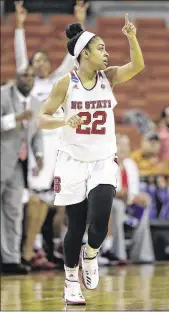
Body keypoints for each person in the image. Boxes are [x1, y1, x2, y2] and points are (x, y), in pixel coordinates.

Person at [38, 14, 144, 305]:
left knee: (99, 221)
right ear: (84, 53)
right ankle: (71, 280)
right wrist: (63, 120)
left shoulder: (107, 78)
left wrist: (131, 37)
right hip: (72, 160)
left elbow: (137, 66)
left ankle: (91, 254)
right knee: (75, 224)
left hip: (102, 159)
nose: (107, 53)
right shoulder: (65, 83)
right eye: (101, 49)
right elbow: (42, 118)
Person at [14, 0, 89, 268]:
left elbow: (72, 56)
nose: (41, 64)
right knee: (38, 197)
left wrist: (79, 25)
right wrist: (20, 26)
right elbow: (20, 57)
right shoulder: (29, 85)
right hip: (38, 147)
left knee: (61, 200)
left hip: (59, 144)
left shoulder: (58, 81)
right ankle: (34, 250)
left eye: (45, 60)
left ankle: (56, 247)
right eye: (37, 61)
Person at [1, 64, 43, 274]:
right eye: (24, 75)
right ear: (16, 77)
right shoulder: (3, 95)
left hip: (19, 165)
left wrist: (40, 155)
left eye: (31, 76)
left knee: (14, 212)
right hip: (1, 161)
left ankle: (10, 259)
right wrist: (16, 118)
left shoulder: (35, 103)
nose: (28, 79)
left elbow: (37, 133)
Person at [110, 135, 154, 264]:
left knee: (145, 203)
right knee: (116, 206)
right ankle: (118, 254)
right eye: (120, 144)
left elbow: (133, 190)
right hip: (112, 202)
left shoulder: (131, 164)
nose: (124, 148)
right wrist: (122, 195)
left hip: (129, 203)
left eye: (127, 145)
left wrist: (140, 197)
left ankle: (141, 255)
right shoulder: (106, 163)